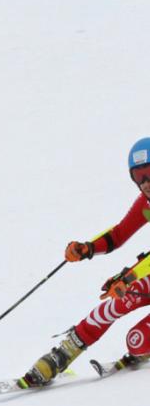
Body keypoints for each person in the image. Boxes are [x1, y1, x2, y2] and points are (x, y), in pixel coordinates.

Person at [23, 136, 150, 385]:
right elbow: (119, 234)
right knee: (118, 301)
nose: (146, 183)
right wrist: (88, 248)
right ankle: (62, 354)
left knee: (138, 341)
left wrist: (131, 275)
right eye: (138, 177)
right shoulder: (146, 203)